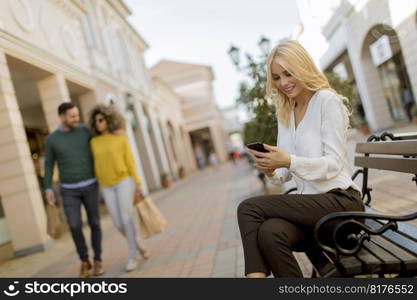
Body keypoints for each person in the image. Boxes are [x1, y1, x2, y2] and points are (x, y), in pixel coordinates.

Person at [237, 40, 364, 278]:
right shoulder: (286, 110)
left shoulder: (326, 101)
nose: (283, 83)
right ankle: (322, 272)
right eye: (276, 77)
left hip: (340, 202)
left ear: (303, 67)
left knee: (249, 208)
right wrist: (272, 169)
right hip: (311, 207)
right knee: (269, 232)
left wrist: (289, 161)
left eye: (288, 73)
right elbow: (284, 174)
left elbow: (335, 163)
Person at [44, 102, 104, 278]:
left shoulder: (85, 131)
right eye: (72, 116)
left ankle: (98, 260)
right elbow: (49, 165)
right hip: (69, 190)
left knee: (95, 223)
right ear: (62, 117)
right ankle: (85, 261)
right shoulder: (52, 139)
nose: (76, 119)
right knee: (75, 225)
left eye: (77, 115)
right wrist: (47, 187)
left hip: (91, 185)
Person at [89, 104, 150, 272]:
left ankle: (132, 256)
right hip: (106, 186)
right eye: (96, 121)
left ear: (109, 120)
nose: (98, 124)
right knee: (117, 222)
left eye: (101, 120)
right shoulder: (93, 142)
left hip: (124, 180)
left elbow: (130, 162)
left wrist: (137, 183)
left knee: (126, 217)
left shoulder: (121, 139)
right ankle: (138, 243)